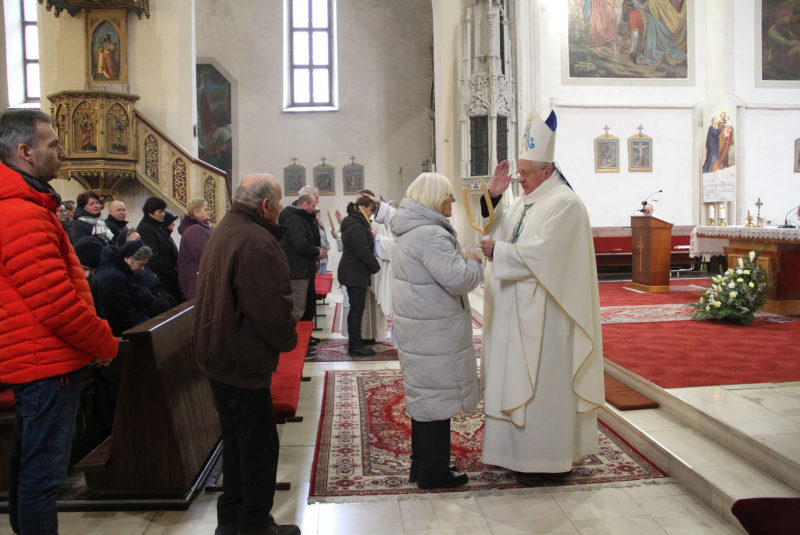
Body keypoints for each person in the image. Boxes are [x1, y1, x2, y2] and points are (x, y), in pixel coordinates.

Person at [0, 109, 118, 535]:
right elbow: (55, 303)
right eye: (53, 144)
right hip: (46, 362)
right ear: (25, 152)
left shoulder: (28, 204)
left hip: (43, 358)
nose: (63, 152)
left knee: (32, 471)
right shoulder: (21, 212)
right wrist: (103, 344)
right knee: (42, 477)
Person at [478, 110, 604, 486]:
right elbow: (497, 227)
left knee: (543, 388)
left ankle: (545, 459)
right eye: (519, 172)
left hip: (547, 319)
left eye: (526, 173)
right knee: (511, 379)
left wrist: (496, 251)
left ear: (548, 171)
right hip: (515, 311)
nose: (521, 179)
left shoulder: (564, 203)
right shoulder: (524, 201)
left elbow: (541, 255)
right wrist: (496, 195)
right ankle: (512, 453)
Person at [192, 173, 300, 535]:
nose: (281, 211)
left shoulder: (226, 227)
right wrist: (287, 339)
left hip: (219, 355)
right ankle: (254, 523)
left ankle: (232, 518)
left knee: (236, 444)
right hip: (241, 358)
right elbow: (269, 307)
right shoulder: (256, 240)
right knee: (258, 448)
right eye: (280, 204)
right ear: (266, 205)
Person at [391, 172, 483, 489]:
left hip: (420, 326)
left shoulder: (410, 231)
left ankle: (422, 465)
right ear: (434, 198)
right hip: (434, 331)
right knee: (436, 400)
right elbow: (458, 279)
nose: (453, 200)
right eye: (448, 194)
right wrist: (473, 262)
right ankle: (434, 472)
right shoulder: (431, 235)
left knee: (425, 397)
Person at [93, 240, 155, 435]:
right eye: (141, 264)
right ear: (127, 259)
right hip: (121, 335)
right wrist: (147, 326)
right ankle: (125, 422)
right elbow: (120, 314)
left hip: (134, 329)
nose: (143, 269)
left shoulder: (128, 273)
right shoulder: (112, 277)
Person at [338, 196, 381, 357]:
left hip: (354, 272)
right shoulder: (356, 226)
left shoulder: (353, 222)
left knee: (357, 309)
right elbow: (363, 251)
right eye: (370, 210)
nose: (371, 215)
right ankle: (355, 346)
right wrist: (376, 267)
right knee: (356, 310)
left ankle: (356, 343)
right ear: (362, 207)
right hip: (354, 273)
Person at [279, 192, 323, 322]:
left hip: (303, 269)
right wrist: (316, 252)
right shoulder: (293, 219)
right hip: (298, 271)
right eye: (313, 205)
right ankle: (296, 342)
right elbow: (301, 245)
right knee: (297, 311)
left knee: (301, 308)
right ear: (305, 204)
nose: (314, 209)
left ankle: (303, 339)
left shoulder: (299, 218)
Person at [137, 196, 184, 304]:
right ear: (150, 213)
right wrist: (172, 272)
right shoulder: (146, 229)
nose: (163, 214)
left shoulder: (157, 226)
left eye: (164, 211)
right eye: (160, 212)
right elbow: (153, 257)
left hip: (168, 276)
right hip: (162, 278)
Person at [178, 198, 213, 299]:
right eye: (206, 209)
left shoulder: (201, 228)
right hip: (197, 283)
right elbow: (205, 255)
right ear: (196, 213)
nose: (209, 212)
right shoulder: (195, 230)